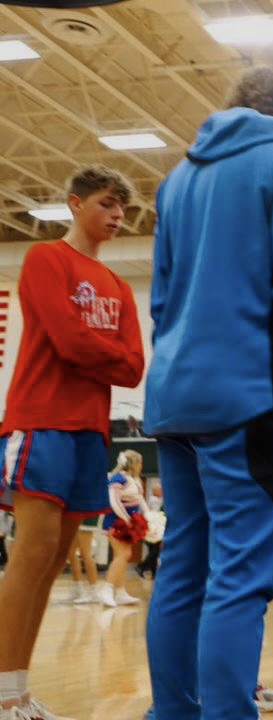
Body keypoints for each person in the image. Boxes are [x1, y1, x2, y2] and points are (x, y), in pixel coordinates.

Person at [142, 66, 273, 720]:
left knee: (181, 573)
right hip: (250, 399)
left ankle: (171, 713)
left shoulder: (177, 179)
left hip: (175, 400)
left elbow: (163, 301)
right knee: (238, 582)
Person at [0, 164, 143, 720]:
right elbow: (64, 339)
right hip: (40, 420)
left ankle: (19, 690)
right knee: (31, 555)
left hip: (90, 431)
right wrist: (98, 351)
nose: (116, 216)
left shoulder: (120, 287)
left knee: (56, 556)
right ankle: (4, 692)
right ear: (74, 202)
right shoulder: (44, 260)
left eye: (123, 209)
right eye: (107, 203)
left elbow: (133, 369)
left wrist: (91, 349)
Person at [100, 449, 150, 608]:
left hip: (129, 522)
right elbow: (114, 502)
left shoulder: (135, 479)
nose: (141, 465)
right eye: (140, 462)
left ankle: (120, 592)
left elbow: (140, 499)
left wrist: (149, 516)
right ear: (134, 463)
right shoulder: (118, 478)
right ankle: (106, 590)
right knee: (124, 554)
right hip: (117, 522)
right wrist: (127, 520)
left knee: (121, 556)